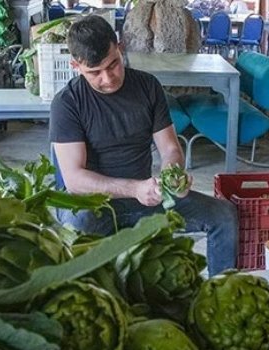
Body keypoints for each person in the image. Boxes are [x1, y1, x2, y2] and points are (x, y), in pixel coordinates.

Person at [50, 15, 239, 276]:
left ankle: (222, 293)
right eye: (94, 72)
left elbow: (170, 149)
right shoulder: (67, 103)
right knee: (79, 227)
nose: (107, 78)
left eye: (113, 64)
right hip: (91, 204)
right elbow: (75, 180)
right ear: (75, 65)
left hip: (145, 197)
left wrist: (173, 177)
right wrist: (134, 188)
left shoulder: (148, 87)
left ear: (120, 48)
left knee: (224, 216)